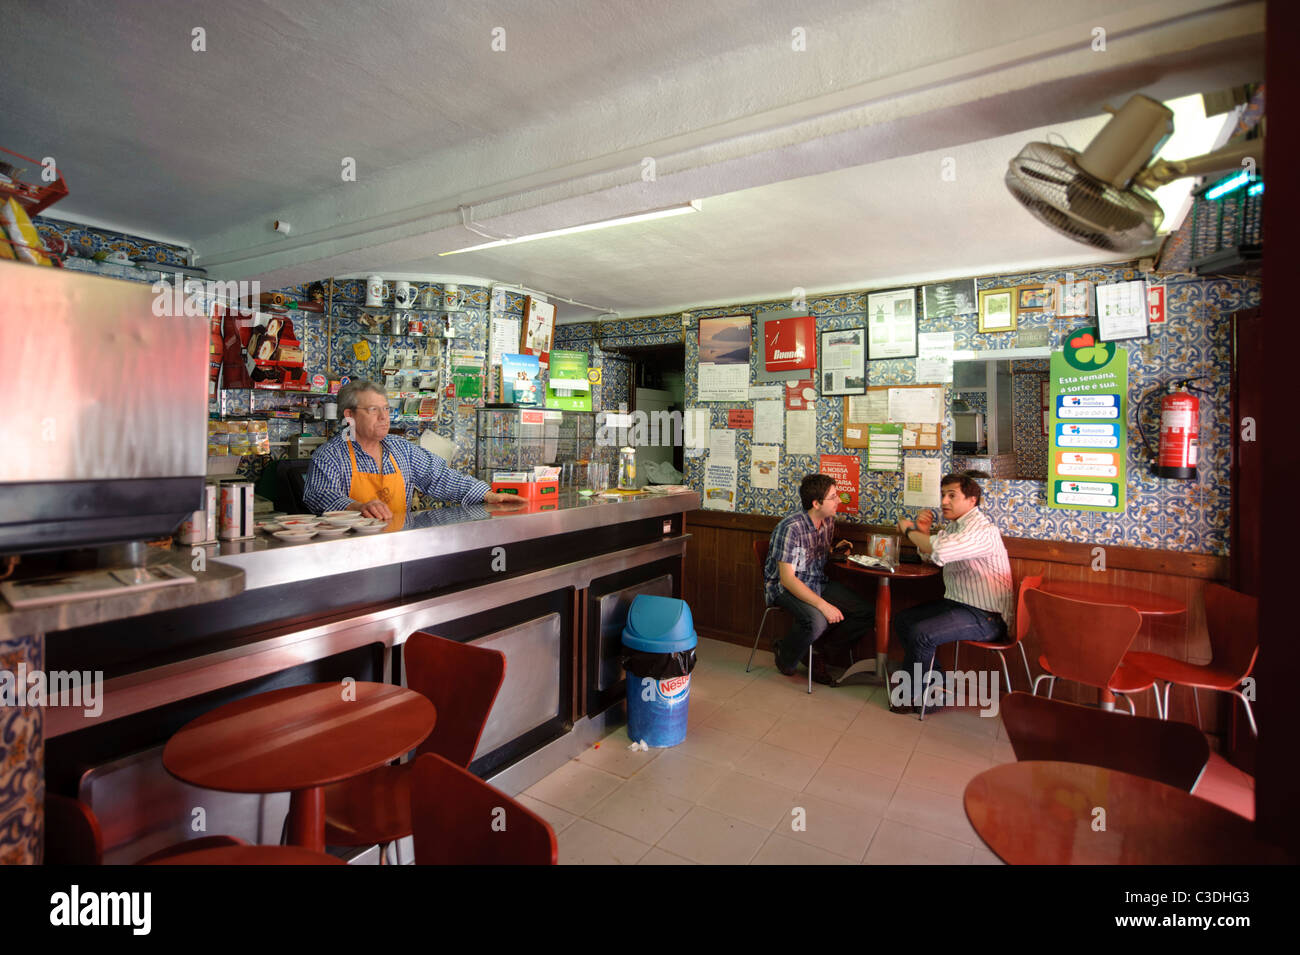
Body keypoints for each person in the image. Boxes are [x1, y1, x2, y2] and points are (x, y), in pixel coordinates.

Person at [304, 379, 524, 529]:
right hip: (352, 550)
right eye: (373, 410)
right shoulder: (330, 455)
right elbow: (320, 496)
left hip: (398, 545)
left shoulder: (401, 448)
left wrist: (488, 495)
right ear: (349, 415)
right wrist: (358, 507)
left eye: (386, 408)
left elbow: (440, 476)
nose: (384, 417)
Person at [889, 471, 1013, 713]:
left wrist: (909, 531)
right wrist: (923, 534)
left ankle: (915, 697)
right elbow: (933, 556)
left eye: (952, 495)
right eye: (943, 495)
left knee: (922, 634)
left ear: (971, 500)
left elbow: (940, 552)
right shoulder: (956, 527)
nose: (944, 501)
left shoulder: (981, 530)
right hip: (959, 605)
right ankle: (935, 688)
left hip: (987, 616)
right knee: (905, 621)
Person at [764, 473, 874, 685]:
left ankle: (818, 652)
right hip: (785, 588)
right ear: (816, 503)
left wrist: (835, 550)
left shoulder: (828, 522)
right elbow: (787, 579)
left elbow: (810, 556)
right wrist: (823, 606)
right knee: (817, 621)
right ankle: (785, 657)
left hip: (817, 582)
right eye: (833, 497)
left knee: (865, 612)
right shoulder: (791, 528)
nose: (839, 501)